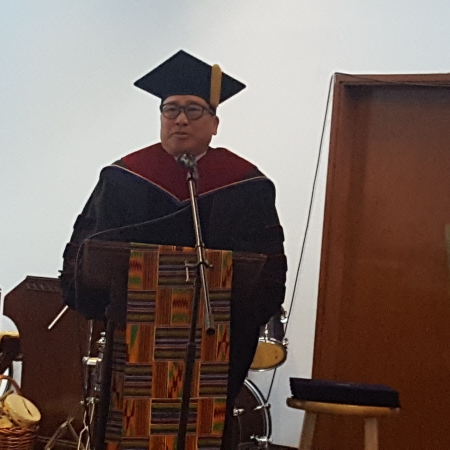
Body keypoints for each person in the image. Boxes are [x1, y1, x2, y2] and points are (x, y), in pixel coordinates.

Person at [60, 50, 287, 447]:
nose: (180, 119)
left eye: (194, 110)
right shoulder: (123, 178)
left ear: (214, 124)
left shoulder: (247, 186)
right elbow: (89, 253)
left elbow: (265, 273)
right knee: (126, 428)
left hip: (216, 341)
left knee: (204, 431)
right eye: (171, 109)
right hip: (132, 337)